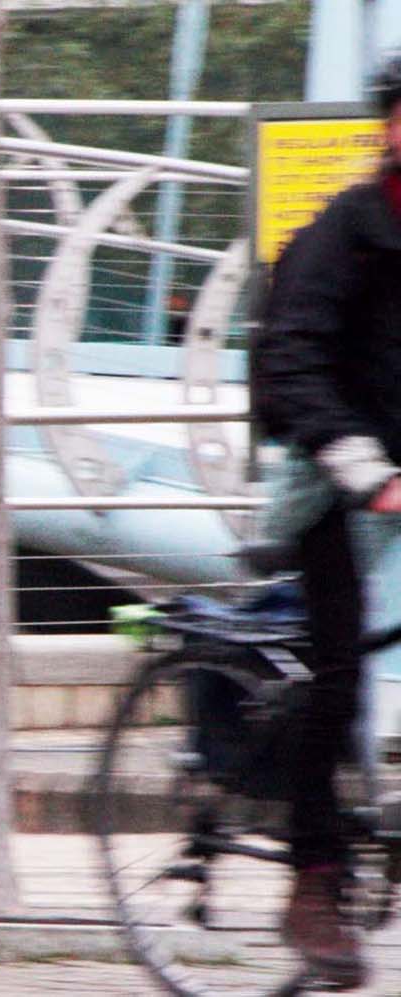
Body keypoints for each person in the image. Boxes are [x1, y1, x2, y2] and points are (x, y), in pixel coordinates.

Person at [248, 55, 401, 991]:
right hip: (328, 480)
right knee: (338, 671)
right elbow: (290, 363)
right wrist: (365, 471)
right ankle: (314, 876)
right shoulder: (345, 232)